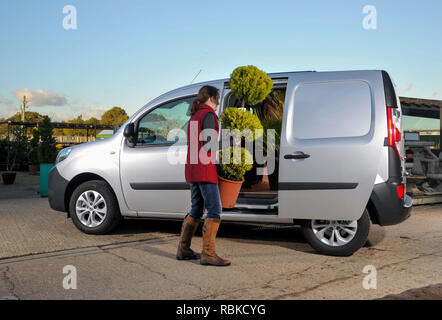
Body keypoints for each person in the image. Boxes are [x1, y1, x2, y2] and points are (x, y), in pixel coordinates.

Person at [176, 85, 231, 266]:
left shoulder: (195, 115)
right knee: (214, 209)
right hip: (205, 169)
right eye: (218, 98)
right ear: (213, 98)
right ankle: (208, 254)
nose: (218, 103)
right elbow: (209, 145)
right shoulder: (209, 114)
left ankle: (183, 250)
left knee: (196, 210)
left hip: (192, 169)